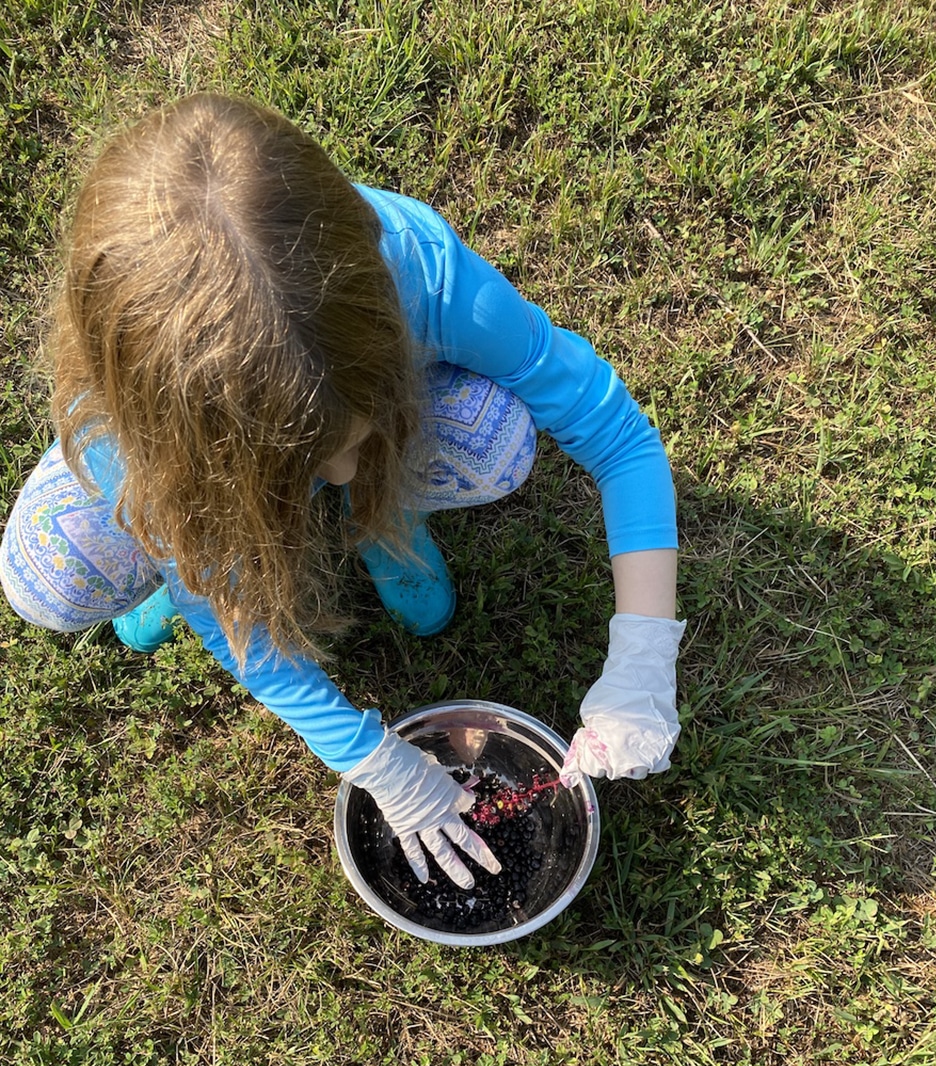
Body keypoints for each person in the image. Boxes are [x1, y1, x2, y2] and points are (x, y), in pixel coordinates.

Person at [0, 93, 685, 892]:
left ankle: (382, 524)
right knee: (52, 577)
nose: (341, 475)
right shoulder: (145, 429)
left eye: (352, 448)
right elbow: (243, 634)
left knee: (496, 440)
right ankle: (166, 553)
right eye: (308, 471)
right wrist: (375, 762)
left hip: (258, 441)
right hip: (178, 473)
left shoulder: (425, 275)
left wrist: (644, 653)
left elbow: (620, 437)